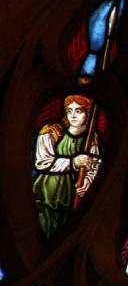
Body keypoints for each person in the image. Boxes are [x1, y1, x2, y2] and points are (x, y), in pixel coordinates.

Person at [33, 95, 101, 241]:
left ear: (87, 114)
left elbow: (94, 166)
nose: (73, 115)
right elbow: (42, 162)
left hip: (70, 196)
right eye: (69, 111)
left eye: (78, 111)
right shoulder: (51, 132)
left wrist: (88, 181)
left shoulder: (91, 139)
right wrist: (73, 162)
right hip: (47, 195)